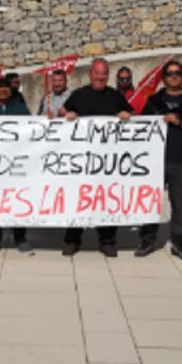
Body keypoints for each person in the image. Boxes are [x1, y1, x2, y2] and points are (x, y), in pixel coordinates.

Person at [62, 58, 133, 257]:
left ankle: (108, 240)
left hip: (107, 163)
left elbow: (130, 115)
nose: (100, 77)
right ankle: (72, 239)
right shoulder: (78, 95)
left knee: (107, 199)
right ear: (90, 74)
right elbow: (64, 112)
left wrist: (125, 114)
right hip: (81, 161)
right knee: (78, 199)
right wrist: (67, 114)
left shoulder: (115, 95)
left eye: (104, 74)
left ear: (107, 76)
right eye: (97, 73)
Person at [135, 60, 182, 260]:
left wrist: (179, 122)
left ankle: (178, 240)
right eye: (169, 73)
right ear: (163, 77)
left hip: (181, 160)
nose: (173, 76)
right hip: (156, 161)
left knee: (179, 202)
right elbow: (141, 125)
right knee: (151, 200)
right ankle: (147, 239)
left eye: (177, 73)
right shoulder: (155, 100)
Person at [0, 77, 34, 255]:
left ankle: (20, 237)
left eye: (6, 87)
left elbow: (32, 130)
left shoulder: (21, 109)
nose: (3, 90)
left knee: (18, 200)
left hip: (16, 164)